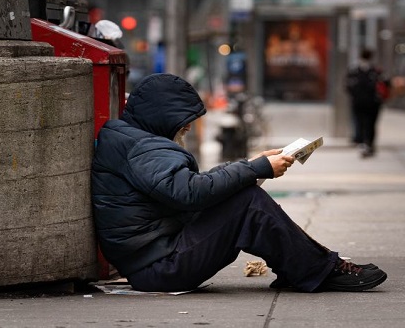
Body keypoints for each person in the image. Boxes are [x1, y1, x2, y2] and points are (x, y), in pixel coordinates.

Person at [91, 73, 387, 293]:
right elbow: (188, 192)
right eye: (184, 120)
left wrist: (251, 168)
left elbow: (186, 188)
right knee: (248, 202)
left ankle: (304, 266)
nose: (188, 127)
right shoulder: (142, 148)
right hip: (160, 267)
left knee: (244, 194)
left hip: (156, 259)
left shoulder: (132, 140)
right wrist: (254, 169)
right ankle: (317, 269)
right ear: (162, 115)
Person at [345, 49, 390, 158]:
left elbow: (347, 86)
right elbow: (387, 84)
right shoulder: (376, 71)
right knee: (369, 124)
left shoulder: (355, 71)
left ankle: (364, 143)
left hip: (362, 102)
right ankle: (367, 143)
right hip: (370, 103)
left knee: (361, 123)